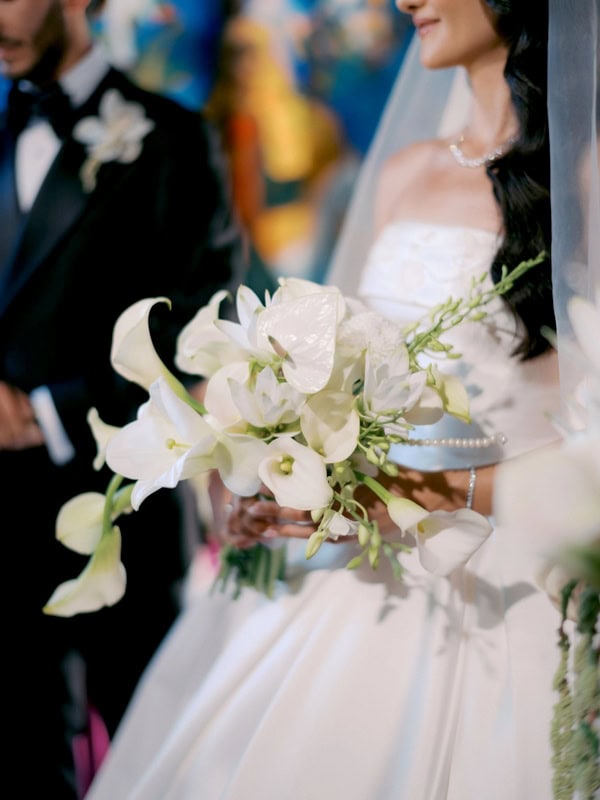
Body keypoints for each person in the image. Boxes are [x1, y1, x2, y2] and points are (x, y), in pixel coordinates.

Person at [84, 0, 596, 798]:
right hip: (353, 570)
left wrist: (433, 494)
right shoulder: (404, 172)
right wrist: (254, 485)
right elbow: (334, 373)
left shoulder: (587, 177)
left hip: (506, 581)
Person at [0, 0, 246, 797]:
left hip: (123, 511)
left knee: (156, 755)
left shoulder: (173, 139)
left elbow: (199, 329)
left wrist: (42, 412)